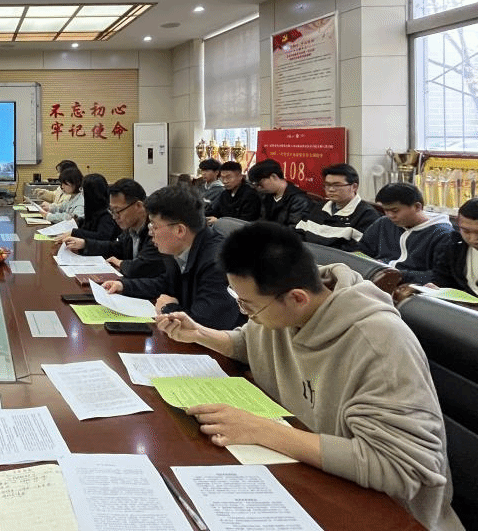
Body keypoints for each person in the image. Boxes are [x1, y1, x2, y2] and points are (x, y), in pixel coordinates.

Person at [157, 222, 463, 531]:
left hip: (386, 513)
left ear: (297, 298)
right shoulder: (284, 309)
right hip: (315, 477)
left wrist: (261, 429)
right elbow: (249, 344)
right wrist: (199, 334)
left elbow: (398, 469)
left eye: (248, 306)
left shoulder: (380, 344)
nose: (247, 314)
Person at [104, 184, 243, 329]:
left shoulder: (217, 261)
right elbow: (165, 283)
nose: (150, 233)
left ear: (180, 230)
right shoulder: (181, 248)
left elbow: (208, 323)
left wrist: (168, 308)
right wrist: (124, 286)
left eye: (154, 226)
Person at [61, 178, 166, 281]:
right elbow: (117, 247)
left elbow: (142, 267)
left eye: (118, 211)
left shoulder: (155, 231)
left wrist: (121, 264)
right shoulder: (131, 229)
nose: (115, 217)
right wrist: (85, 244)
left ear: (138, 206)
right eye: (112, 211)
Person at [359, 182, 453, 284]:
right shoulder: (383, 223)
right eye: (386, 210)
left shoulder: (442, 234)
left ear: (417, 207)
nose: (390, 215)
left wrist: (398, 275)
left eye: (395, 211)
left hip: (412, 286)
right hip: (374, 278)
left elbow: (440, 277)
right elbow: (361, 251)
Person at [295, 163, 380, 250]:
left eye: (337, 185)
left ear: (354, 187)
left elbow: (357, 251)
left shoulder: (367, 215)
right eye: (327, 185)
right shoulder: (318, 207)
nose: (331, 189)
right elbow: (298, 234)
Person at [246, 159, 314, 228]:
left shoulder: (299, 201)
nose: (258, 188)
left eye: (259, 184)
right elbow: (262, 221)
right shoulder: (266, 195)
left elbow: (294, 230)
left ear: (274, 177)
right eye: (255, 185)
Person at [431, 198, 478, 294]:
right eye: (466, 231)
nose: (473, 239)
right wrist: (434, 288)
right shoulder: (453, 247)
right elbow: (443, 279)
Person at [67, 173, 119, 241]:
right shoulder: (95, 208)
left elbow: (102, 236)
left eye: (82, 189)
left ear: (90, 193)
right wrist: (79, 222)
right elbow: (91, 225)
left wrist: (75, 233)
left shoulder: (107, 213)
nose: (81, 192)